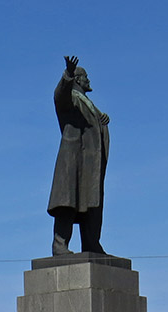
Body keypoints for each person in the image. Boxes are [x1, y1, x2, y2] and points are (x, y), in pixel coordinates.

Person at [48, 55, 110, 256]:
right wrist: (67, 74)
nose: (88, 80)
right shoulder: (70, 98)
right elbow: (59, 96)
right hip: (73, 160)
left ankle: (92, 243)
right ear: (77, 79)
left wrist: (102, 120)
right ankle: (60, 245)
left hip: (90, 164)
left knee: (91, 207)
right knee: (68, 203)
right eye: (85, 77)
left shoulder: (87, 102)